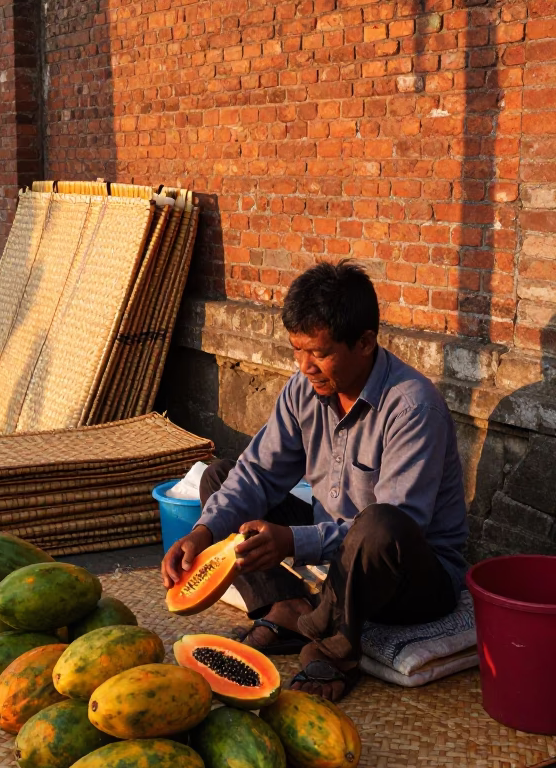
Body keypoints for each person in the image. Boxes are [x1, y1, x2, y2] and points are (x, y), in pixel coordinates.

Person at [161, 261, 468, 702]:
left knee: (378, 525)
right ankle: (286, 607)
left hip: (411, 576)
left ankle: (334, 647)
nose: (305, 366)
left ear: (365, 343)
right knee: (222, 478)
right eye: (297, 350)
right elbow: (258, 473)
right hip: (338, 549)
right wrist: (203, 533)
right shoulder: (303, 389)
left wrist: (293, 541)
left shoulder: (412, 408)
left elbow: (402, 526)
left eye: (319, 353)